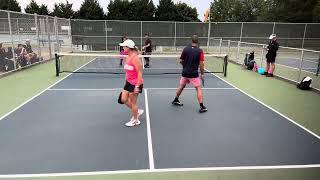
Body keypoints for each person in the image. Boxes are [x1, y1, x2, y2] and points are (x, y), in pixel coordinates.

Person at [172, 35, 208, 113]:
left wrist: (185, 66)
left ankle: (175, 99)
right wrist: (202, 74)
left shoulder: (185, 49)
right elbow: (201, 64)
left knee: (181, 86)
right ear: (197, 41)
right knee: (198, 88)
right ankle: (202, 106)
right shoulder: (200, 51)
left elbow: (181, 61)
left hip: (185, 72)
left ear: (191, 41)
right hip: (193, 74)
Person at [118, 39, 144, 127]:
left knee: (133, 103)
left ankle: (135, 120)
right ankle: (137, 111)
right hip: (128, 82)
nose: (123, 47)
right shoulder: (128, 56)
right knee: (123, 99)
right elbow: (128, 71)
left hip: (135, 83)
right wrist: (125, 80)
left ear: (128, 48)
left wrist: (137, 86)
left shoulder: (135, 58)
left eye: (124, 46)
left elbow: (140, 73)